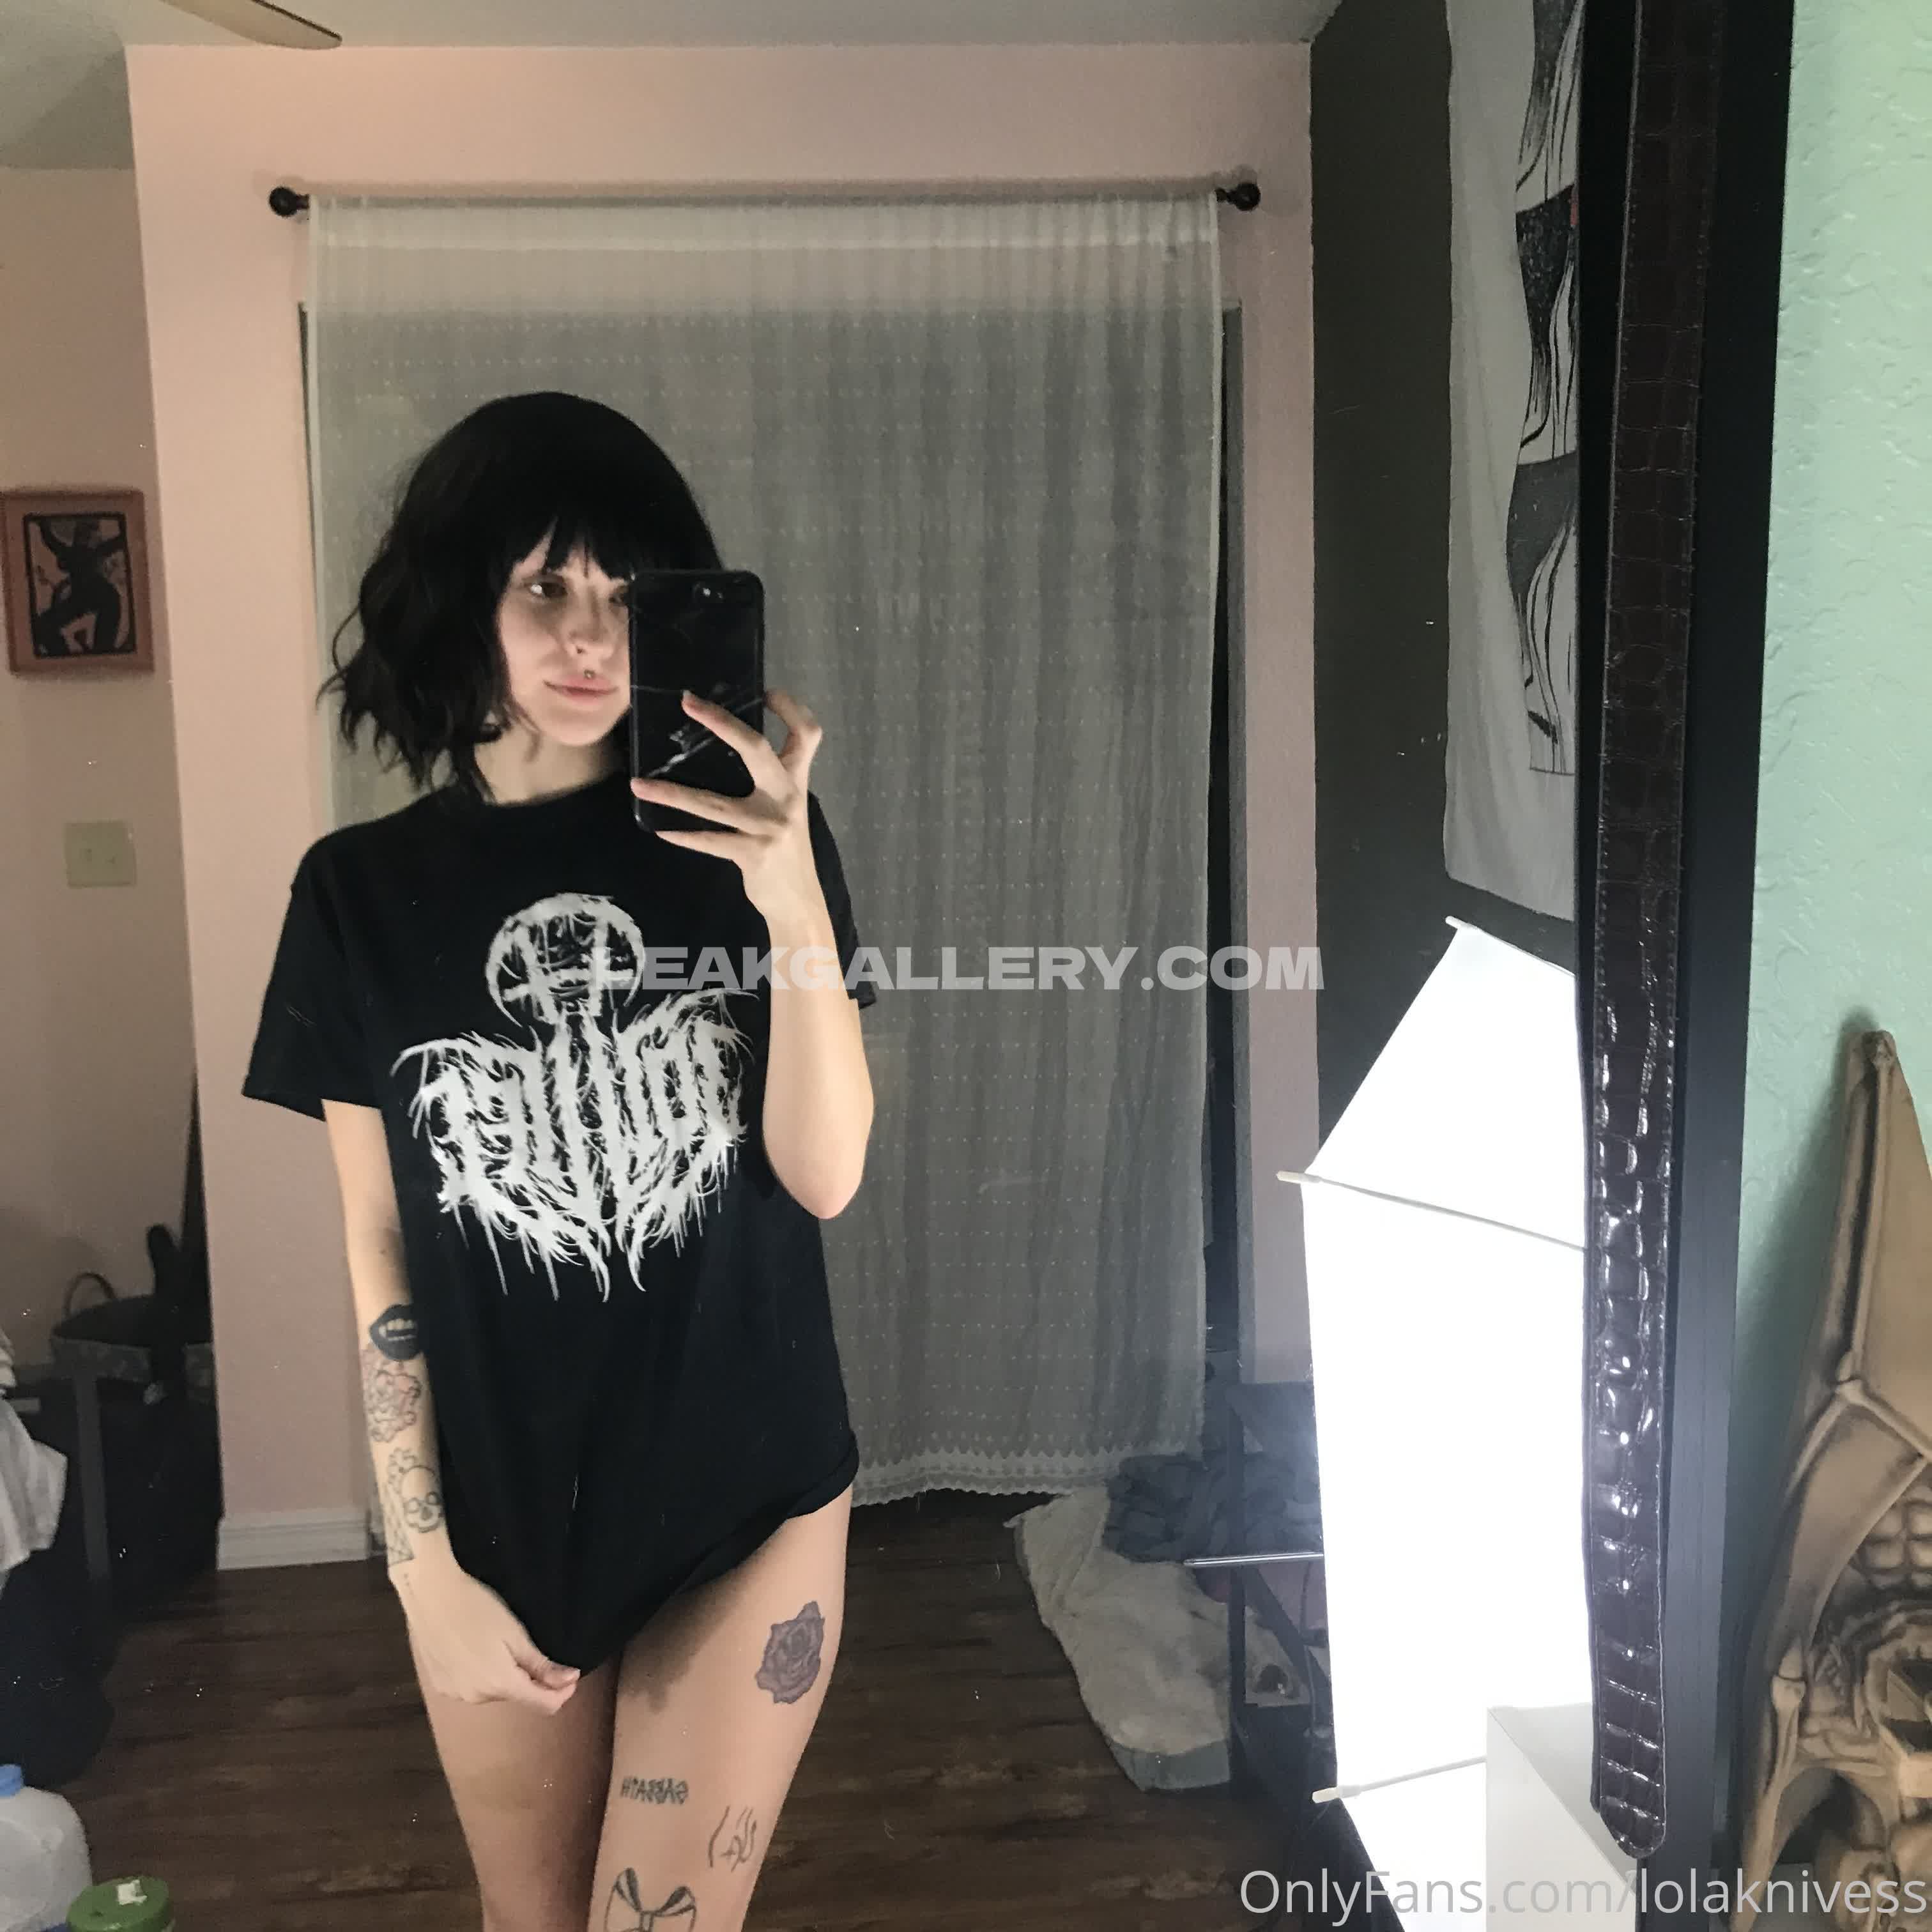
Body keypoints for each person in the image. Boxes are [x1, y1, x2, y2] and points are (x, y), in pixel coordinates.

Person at [242, 392, 876, 1932]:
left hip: (744, 1494)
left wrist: (790, 894)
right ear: (466, 597)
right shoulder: (356, 896)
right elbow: (380, 1247)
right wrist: (419, 1567)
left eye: (626, 591)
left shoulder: (748, 849)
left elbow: (825, 1174)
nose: (591, 635)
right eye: (546, 586)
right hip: (499, 1516)